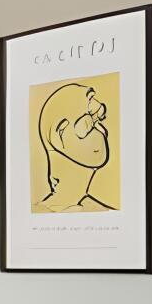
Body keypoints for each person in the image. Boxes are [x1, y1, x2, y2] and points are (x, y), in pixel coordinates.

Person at [34, 80, 114, 212]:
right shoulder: (42, 212)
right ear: (60, 134)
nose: (103, 131)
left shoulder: (99, 210)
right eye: (88, 122)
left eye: (98, 119)